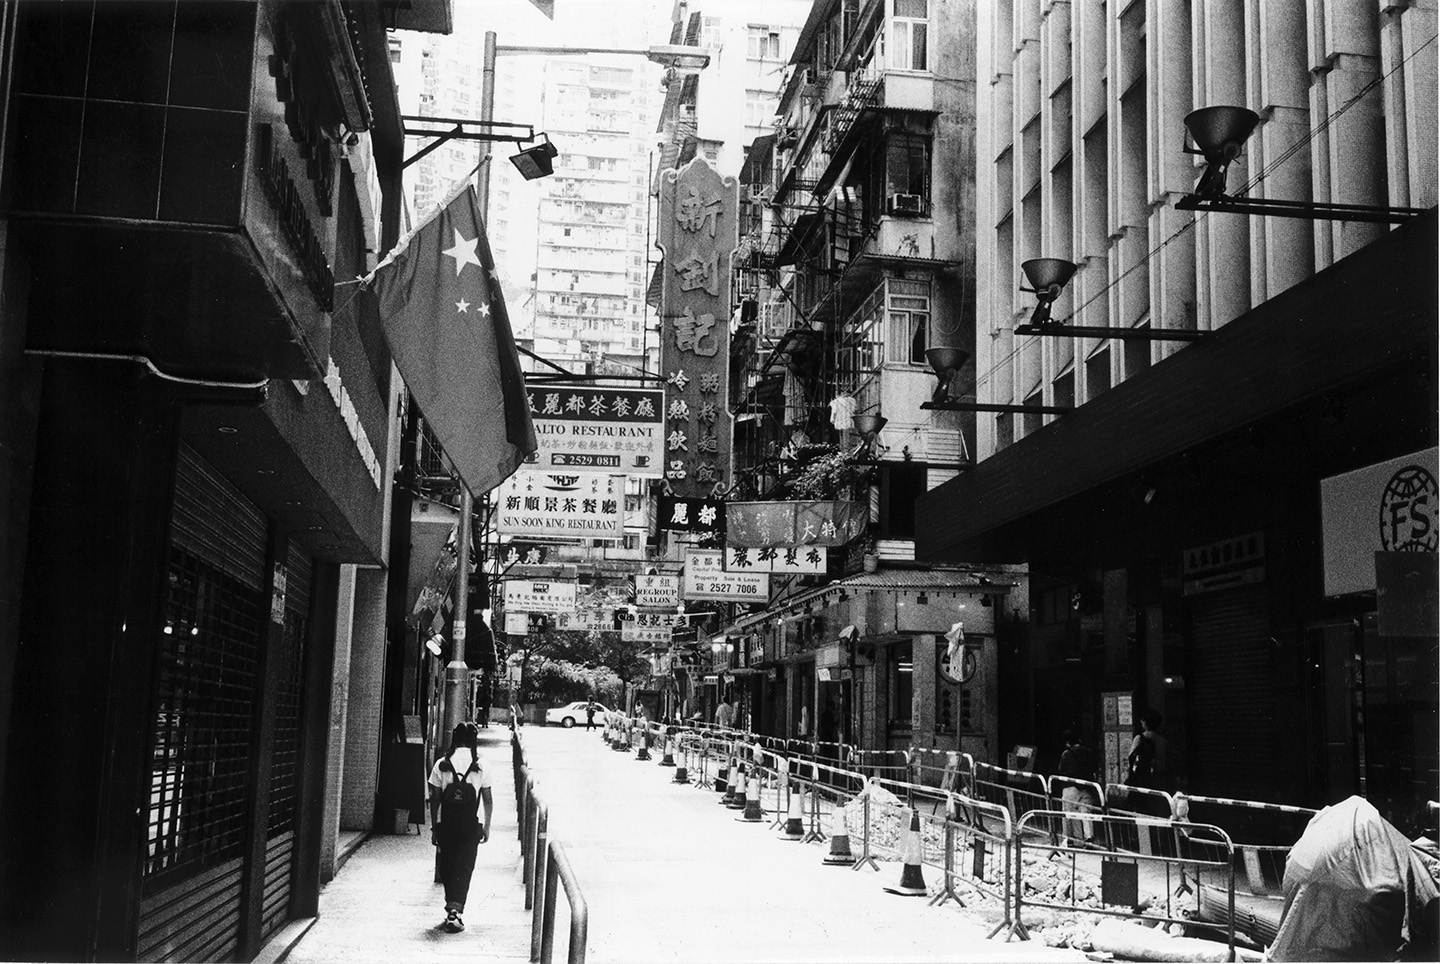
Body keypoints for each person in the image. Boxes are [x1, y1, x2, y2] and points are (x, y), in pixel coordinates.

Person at [428, 722, 493, 933]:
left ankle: (451, 907)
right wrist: (487, 827)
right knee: (464, 867)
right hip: (469, 826)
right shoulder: (482, 764)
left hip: (447, 825)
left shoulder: (441, 764)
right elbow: (488, 800)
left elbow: (435, 800)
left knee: (447, 865)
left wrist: (434, 827)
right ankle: (456, 910)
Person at [1057, 730, 1098, 843]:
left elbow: (1061, 769)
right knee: (1086, 812)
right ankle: (1089, 837)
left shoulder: (1066, 754)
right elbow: (1095, 768)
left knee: (1068, 813)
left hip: (1070, 787)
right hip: (1087, 786)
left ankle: (1068, 839)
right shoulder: (1089, 752)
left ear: (1067, 742)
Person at [1126, 710, 1168, 789]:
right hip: (1160, 774)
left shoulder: (1139, 738)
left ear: (1145, 723)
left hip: (1143, 775)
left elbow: (1131, 756)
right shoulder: (1162, 740)